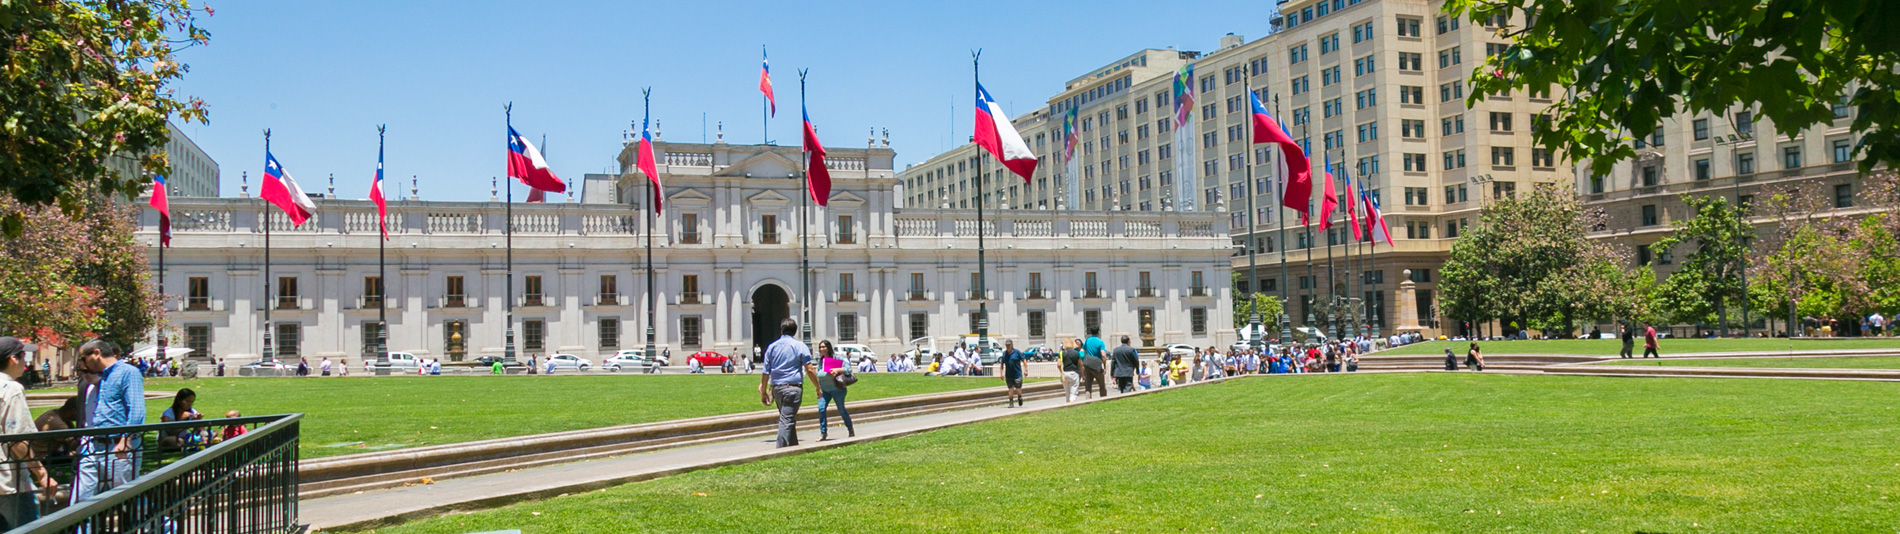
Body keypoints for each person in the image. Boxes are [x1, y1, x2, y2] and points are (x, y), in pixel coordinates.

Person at [72, 339, 144, 505]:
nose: (83, 364)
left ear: (96, 354)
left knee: (127, 497)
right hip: (93, 445)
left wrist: (126, 439)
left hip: (118, 446)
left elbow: (137, 410)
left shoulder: (128, 372)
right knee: (80, 498)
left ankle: (163, 528)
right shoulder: (101, 377)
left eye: (83, 359)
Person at [0, 338, 52, 529]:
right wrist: (41, 473)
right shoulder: (11, 389)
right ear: (13, 359)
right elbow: (18, 440)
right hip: (8, 483)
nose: (26, 362)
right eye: (24, 356)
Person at [759, 318, 820, 448]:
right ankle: (780, 450)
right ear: (795, 331)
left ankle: (793, 447)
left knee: (787, 418)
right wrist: (818, 387)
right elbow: (809, 369)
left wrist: (764, 392)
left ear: (781, 330)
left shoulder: (772, 347)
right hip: (793, 388)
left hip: (777, 389)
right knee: (786, 420)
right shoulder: (799, 346)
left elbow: (765, 373)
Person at [814, 341, 855, 440]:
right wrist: (818, 388)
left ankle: (850, 430)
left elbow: (848, 369)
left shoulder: (837, 358)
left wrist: (837, 370)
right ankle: (823, 433)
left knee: (841, 410)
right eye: (820, 347)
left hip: (837, 389)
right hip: (825, 390)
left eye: (823, 347)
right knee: (821, 408)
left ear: (828, 348)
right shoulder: (821, 360)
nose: (821, 349)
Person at [1000, 339, 1027, 407]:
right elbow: (1002, 363)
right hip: (1009, 375)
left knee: (1018, 388)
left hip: (1017, 374)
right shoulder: (1004, 354)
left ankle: (1019, 397)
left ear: (1012, 345)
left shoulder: (1017, 352)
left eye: (1009, 345)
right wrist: (1001, 373)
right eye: (1006, 345)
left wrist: (1026, 370)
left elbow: (1024, 360)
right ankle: (1011, 402)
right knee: (1010, 389)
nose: (1007, 346)